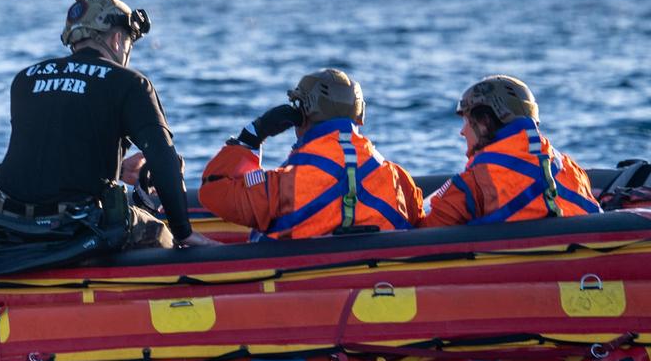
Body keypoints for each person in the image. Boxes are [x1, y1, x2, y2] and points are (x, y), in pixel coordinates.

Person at [0, 0, 208, 249]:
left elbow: (47, 155)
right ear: (117, 39)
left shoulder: (26, 79)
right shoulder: (130, 83)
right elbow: (164, 160)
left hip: (7, 221)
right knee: (161, 235)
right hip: (74, 227)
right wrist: (184, 232)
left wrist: (119, 168)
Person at [199, 69, 424, 239]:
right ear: (359, 114)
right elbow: (421, 224)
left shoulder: (285, 185)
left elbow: (213, 191)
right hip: (381, 285)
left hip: (296, 287)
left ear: (303, 114)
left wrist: (252, 135)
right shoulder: (399, 180)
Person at [422, 75, 600, 227]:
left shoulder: (473, 182)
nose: (462, 132)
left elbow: (425, 235)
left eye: (466, 122)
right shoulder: (571, 169)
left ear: (484, 123)